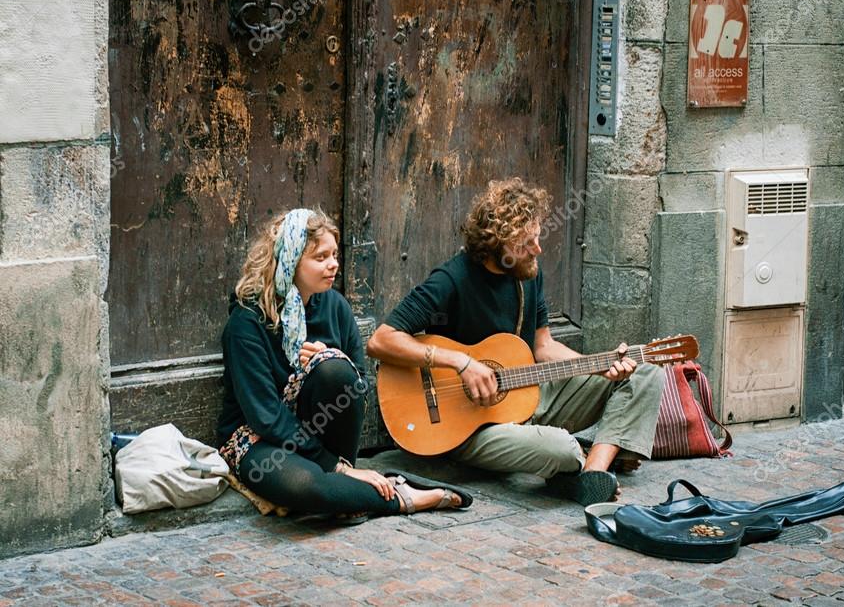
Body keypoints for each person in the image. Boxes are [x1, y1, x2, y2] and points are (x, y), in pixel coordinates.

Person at [367, 179, 665, 506]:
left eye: (537, 237)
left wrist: (599, 367)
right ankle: (574, 461)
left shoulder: (528, 275)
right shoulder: (452, 280)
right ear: (498, 244)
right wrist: (460, 362)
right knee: (562, 448)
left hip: (526, 396)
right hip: (470, 428)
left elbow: (543, 347)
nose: (538, 248)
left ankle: (593, 471)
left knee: (646, 371)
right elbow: (381, 341)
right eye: (526, 243)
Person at [216, 208, 471, 519]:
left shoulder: (336, 307)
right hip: (258, 437)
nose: (333, 264)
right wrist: (332, 465)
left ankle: (347, 487)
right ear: (291, 258)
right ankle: (404, 495)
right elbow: (264, 416)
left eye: (334, 254)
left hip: (320, 436)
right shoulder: (247, 321)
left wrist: (327, 362)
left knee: (335, 367)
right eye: (321, 257)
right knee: (306, 488)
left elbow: (359, 385)